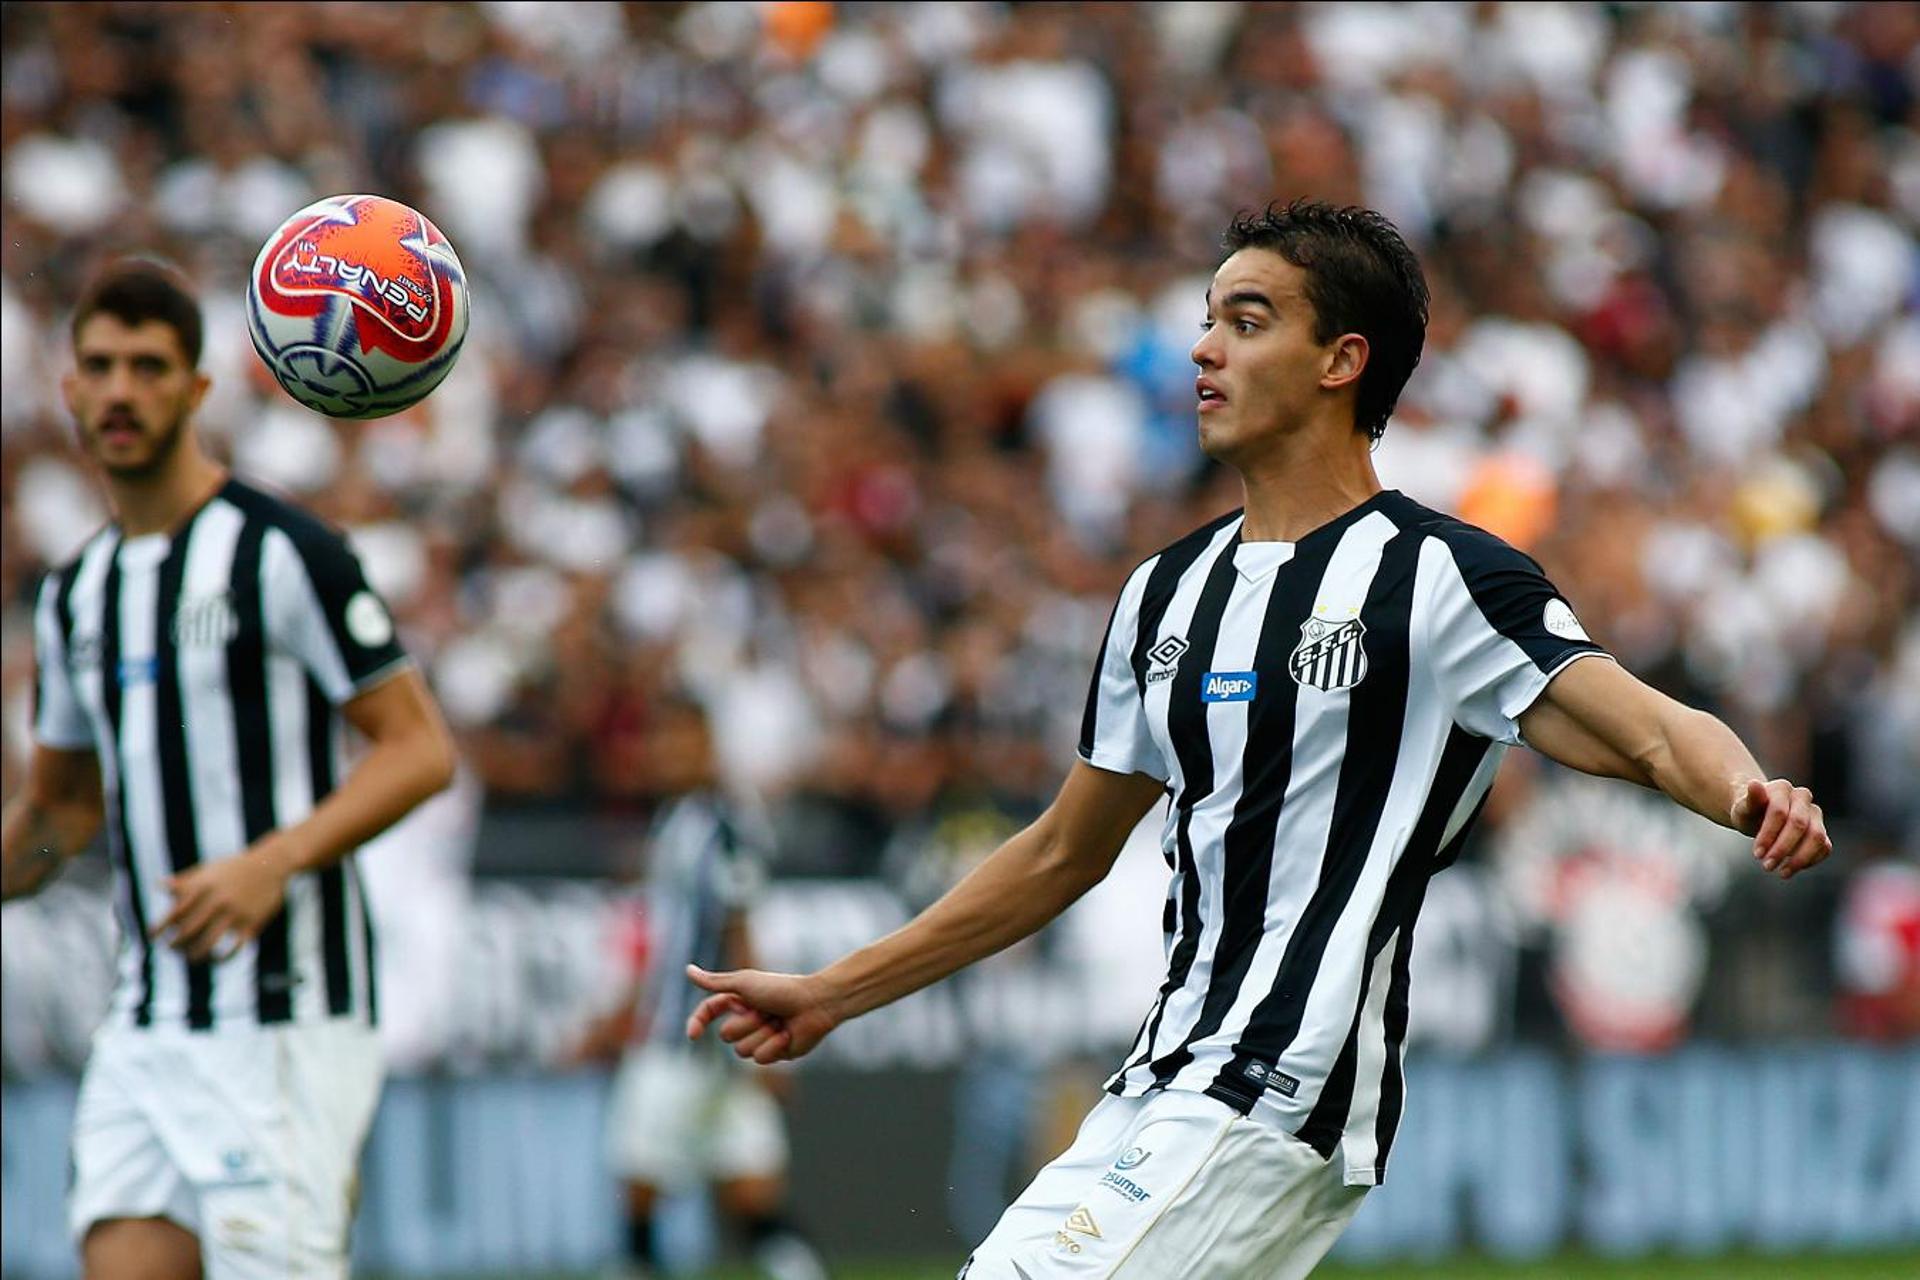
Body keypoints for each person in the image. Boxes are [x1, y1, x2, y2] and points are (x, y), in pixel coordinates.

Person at [683, 201, 1834, 1280]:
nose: (1204, 351)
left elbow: (1639, 727)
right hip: (1161, 1077)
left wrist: (1749, 792)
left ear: (1343, 360)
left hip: (1281, 1081)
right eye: (1207, 321)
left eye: (1248, 320)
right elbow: (1058, 854)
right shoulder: (1162, 594)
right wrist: (834, 991)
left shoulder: (1436, 577)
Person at [0, 259, 457, 1279]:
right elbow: (59, 810)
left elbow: (421, 747)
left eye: (150, 367)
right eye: (101, 366)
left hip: (286, 1014)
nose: (122, 390)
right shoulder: (75, 593)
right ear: (68, 388)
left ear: (197, 389)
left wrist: (273, 860)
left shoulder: (285, 551)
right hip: (148, 1014)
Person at [572, 694, 828, 1280]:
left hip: (692, 1040)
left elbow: (740, 930)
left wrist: (772, 1035)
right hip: (697, 1038)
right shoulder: (677, 822)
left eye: (682, 740)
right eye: (661, 740)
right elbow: (666, 942)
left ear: (708, 745)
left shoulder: (723, 826)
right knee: (754, 1203)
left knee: (640, 1199)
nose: (667, 752)